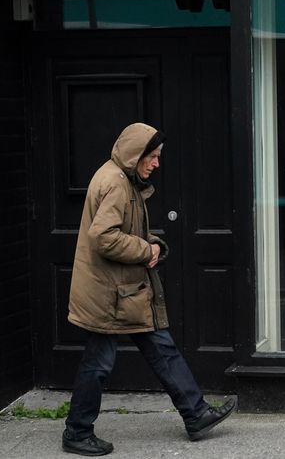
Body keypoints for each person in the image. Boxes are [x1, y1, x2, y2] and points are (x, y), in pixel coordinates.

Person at [62, 123, 235, 456]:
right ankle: (77, 431)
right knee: (99, 364)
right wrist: (146, 250)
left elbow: (122, 231)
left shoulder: (122, 178)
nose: (156, 164)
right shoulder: (115, 182)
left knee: (161, 348)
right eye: (152, 157)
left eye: (157, 157)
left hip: (124, 291)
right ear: (135, 154)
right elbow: (104, 237)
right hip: (109, 295)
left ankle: (196, 414)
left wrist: (152, 244)